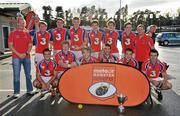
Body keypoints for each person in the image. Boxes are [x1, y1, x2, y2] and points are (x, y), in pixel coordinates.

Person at [8, 17, 34, 98]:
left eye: (24, 23)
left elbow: (30, 45)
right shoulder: (13, 33)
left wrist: (26, 53)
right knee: (16, 75)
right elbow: (10, 46)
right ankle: (16, 92)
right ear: (18, 23)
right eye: (21, 23)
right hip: (16, 57)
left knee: (28, 74)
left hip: (26, 56)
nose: (22, 24)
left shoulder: (27, 34)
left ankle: (29, 90)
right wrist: (19, 54)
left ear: (25, 24)